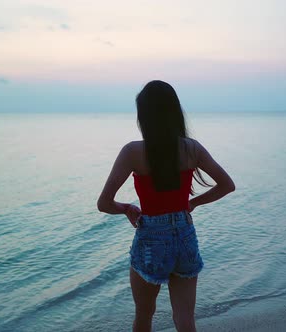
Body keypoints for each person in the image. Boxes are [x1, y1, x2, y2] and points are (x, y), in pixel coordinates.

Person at [97, 80, 235, 332]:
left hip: (151, 237)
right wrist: (193, 203)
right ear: (175, 112)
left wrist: (126, 208)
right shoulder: (192, 148)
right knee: (185, 319)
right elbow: (227, 185)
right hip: (184, 234)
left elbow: (104, 203)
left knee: (144, 315)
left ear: (144, 117)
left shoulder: (132, 152)